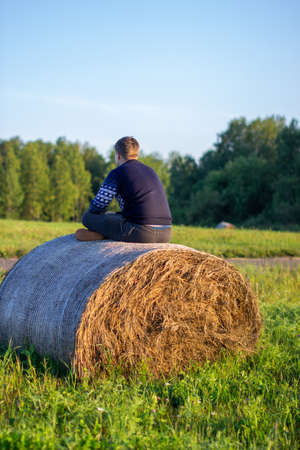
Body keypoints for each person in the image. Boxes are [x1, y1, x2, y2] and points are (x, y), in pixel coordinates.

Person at [75, 136, 172, 243]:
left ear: (118, 155)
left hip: (141, 233)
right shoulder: (151, 171)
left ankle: (103, 235)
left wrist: (99, 217)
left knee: (87, 218)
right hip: (166, 233)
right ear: (137, 154)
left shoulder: (117, 173)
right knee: (114, 216)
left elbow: (98, 206)